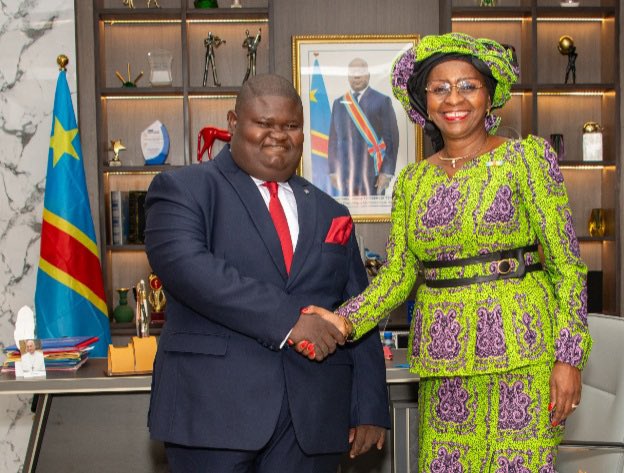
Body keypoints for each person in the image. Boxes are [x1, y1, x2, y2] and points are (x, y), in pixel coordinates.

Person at [301, 33, 592, 472]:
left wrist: (568, 358)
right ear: (425, 102)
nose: (454, 98)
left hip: (524, 354)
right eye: (440, 88)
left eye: (468, 86)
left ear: (489, 95)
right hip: (444, 359)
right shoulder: (413, 182)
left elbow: (567, 265)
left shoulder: (526, 160)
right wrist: (343, 320)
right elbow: (398, 275)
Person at [144, 74, 390, 473]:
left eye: (291, 125)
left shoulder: (332, 212)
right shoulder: (182, 189)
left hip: (312, 421)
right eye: (264, 123)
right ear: (233, 122)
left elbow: (356, 308)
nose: (278, 135)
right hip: (211, 415)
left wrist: (370, 405)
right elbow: (190, 269)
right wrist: (291, 321)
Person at [328, 57, 399, 196]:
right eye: (352, 73)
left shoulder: (382, 101)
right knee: (345, 209)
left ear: (368, 75)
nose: (356, 76)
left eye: (360, 72)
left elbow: (391, 140)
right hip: (346, 174)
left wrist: (386, 172)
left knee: (374, 210)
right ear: (348, 76)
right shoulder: (339, 103)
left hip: (374, 173)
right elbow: (333, 140)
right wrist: (333, 170)